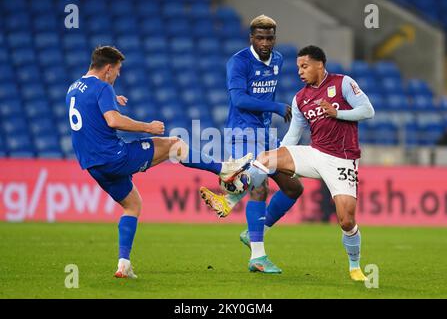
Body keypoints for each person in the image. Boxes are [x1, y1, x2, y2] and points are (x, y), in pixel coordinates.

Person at [66, 46, 252, 279]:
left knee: (132, 205)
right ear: (108, 68)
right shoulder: (102, 87)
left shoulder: (73, 89)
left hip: (93, 166)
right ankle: (225, 169)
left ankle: (123, 263)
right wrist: (148, 127)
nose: (118, 75)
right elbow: (112, 120)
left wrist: (112, 97)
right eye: (118, 71)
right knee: (174, 145)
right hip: (113, 156)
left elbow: (90, 110)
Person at [203, 45, 375, 281]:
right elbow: (292, 137)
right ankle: (229, 199)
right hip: (315, 153)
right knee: (266, 157)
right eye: (297, 67)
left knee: (347, 221)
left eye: (304, 66)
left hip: (342, 160)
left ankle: (355, 267)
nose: (300, 72)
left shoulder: (343, 83)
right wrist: (278, 157)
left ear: (319, 65)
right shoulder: (301, 98)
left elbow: (367, 110)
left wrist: (338, 115)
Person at [200, 15, 304, 274]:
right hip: (242, 132)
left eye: (270, 37)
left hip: (266, 135)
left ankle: (242, 216)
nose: (265, 42)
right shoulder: (238, 62)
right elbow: (240, 100)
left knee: (293, 188)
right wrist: (276, 107)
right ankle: (258, 256)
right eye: (260, 37)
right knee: (259, 186)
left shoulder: (278, 60)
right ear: (251, 38)